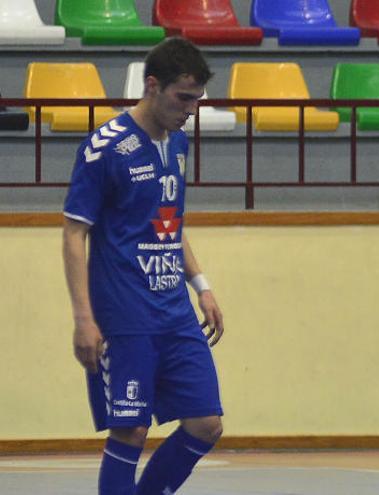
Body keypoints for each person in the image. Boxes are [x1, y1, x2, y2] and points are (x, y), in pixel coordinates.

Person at [62, 37, 225, 495]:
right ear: (152, 86)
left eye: (197, 100)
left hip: (174, 312)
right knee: (130, 430)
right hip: (124, 315)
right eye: (183, 98)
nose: (191, 109)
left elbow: (169, 220)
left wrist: (202, 285)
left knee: (206, 423)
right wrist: (83, 319)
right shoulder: (105, 148)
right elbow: (74, 233)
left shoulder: (178, 143)